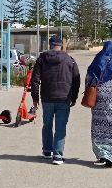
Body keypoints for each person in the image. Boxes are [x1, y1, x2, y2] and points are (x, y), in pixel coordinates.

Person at [31, 35, 81, 165]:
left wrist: (35, 98)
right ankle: (57, 156)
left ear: (50, 45)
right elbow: (76, 80)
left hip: (47, 98)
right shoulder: (70, 60)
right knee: (60, 127)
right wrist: (74, 97)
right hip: (64, 98)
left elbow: (35, 80)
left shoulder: (42, 59)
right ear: (61, 45)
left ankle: (47, 151)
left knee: (47, 125)